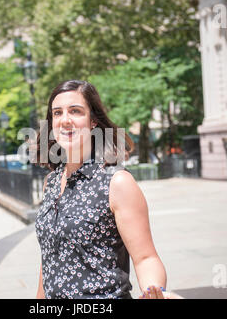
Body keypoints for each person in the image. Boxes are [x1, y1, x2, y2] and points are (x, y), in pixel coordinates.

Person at [34, 79, 182, 299]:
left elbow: (145, 258)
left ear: (93, 120)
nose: (65, 120)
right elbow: (49, 261)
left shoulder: (116, 182)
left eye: (75, 111)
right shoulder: (51, 183)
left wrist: (155, 290)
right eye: (57, 113)